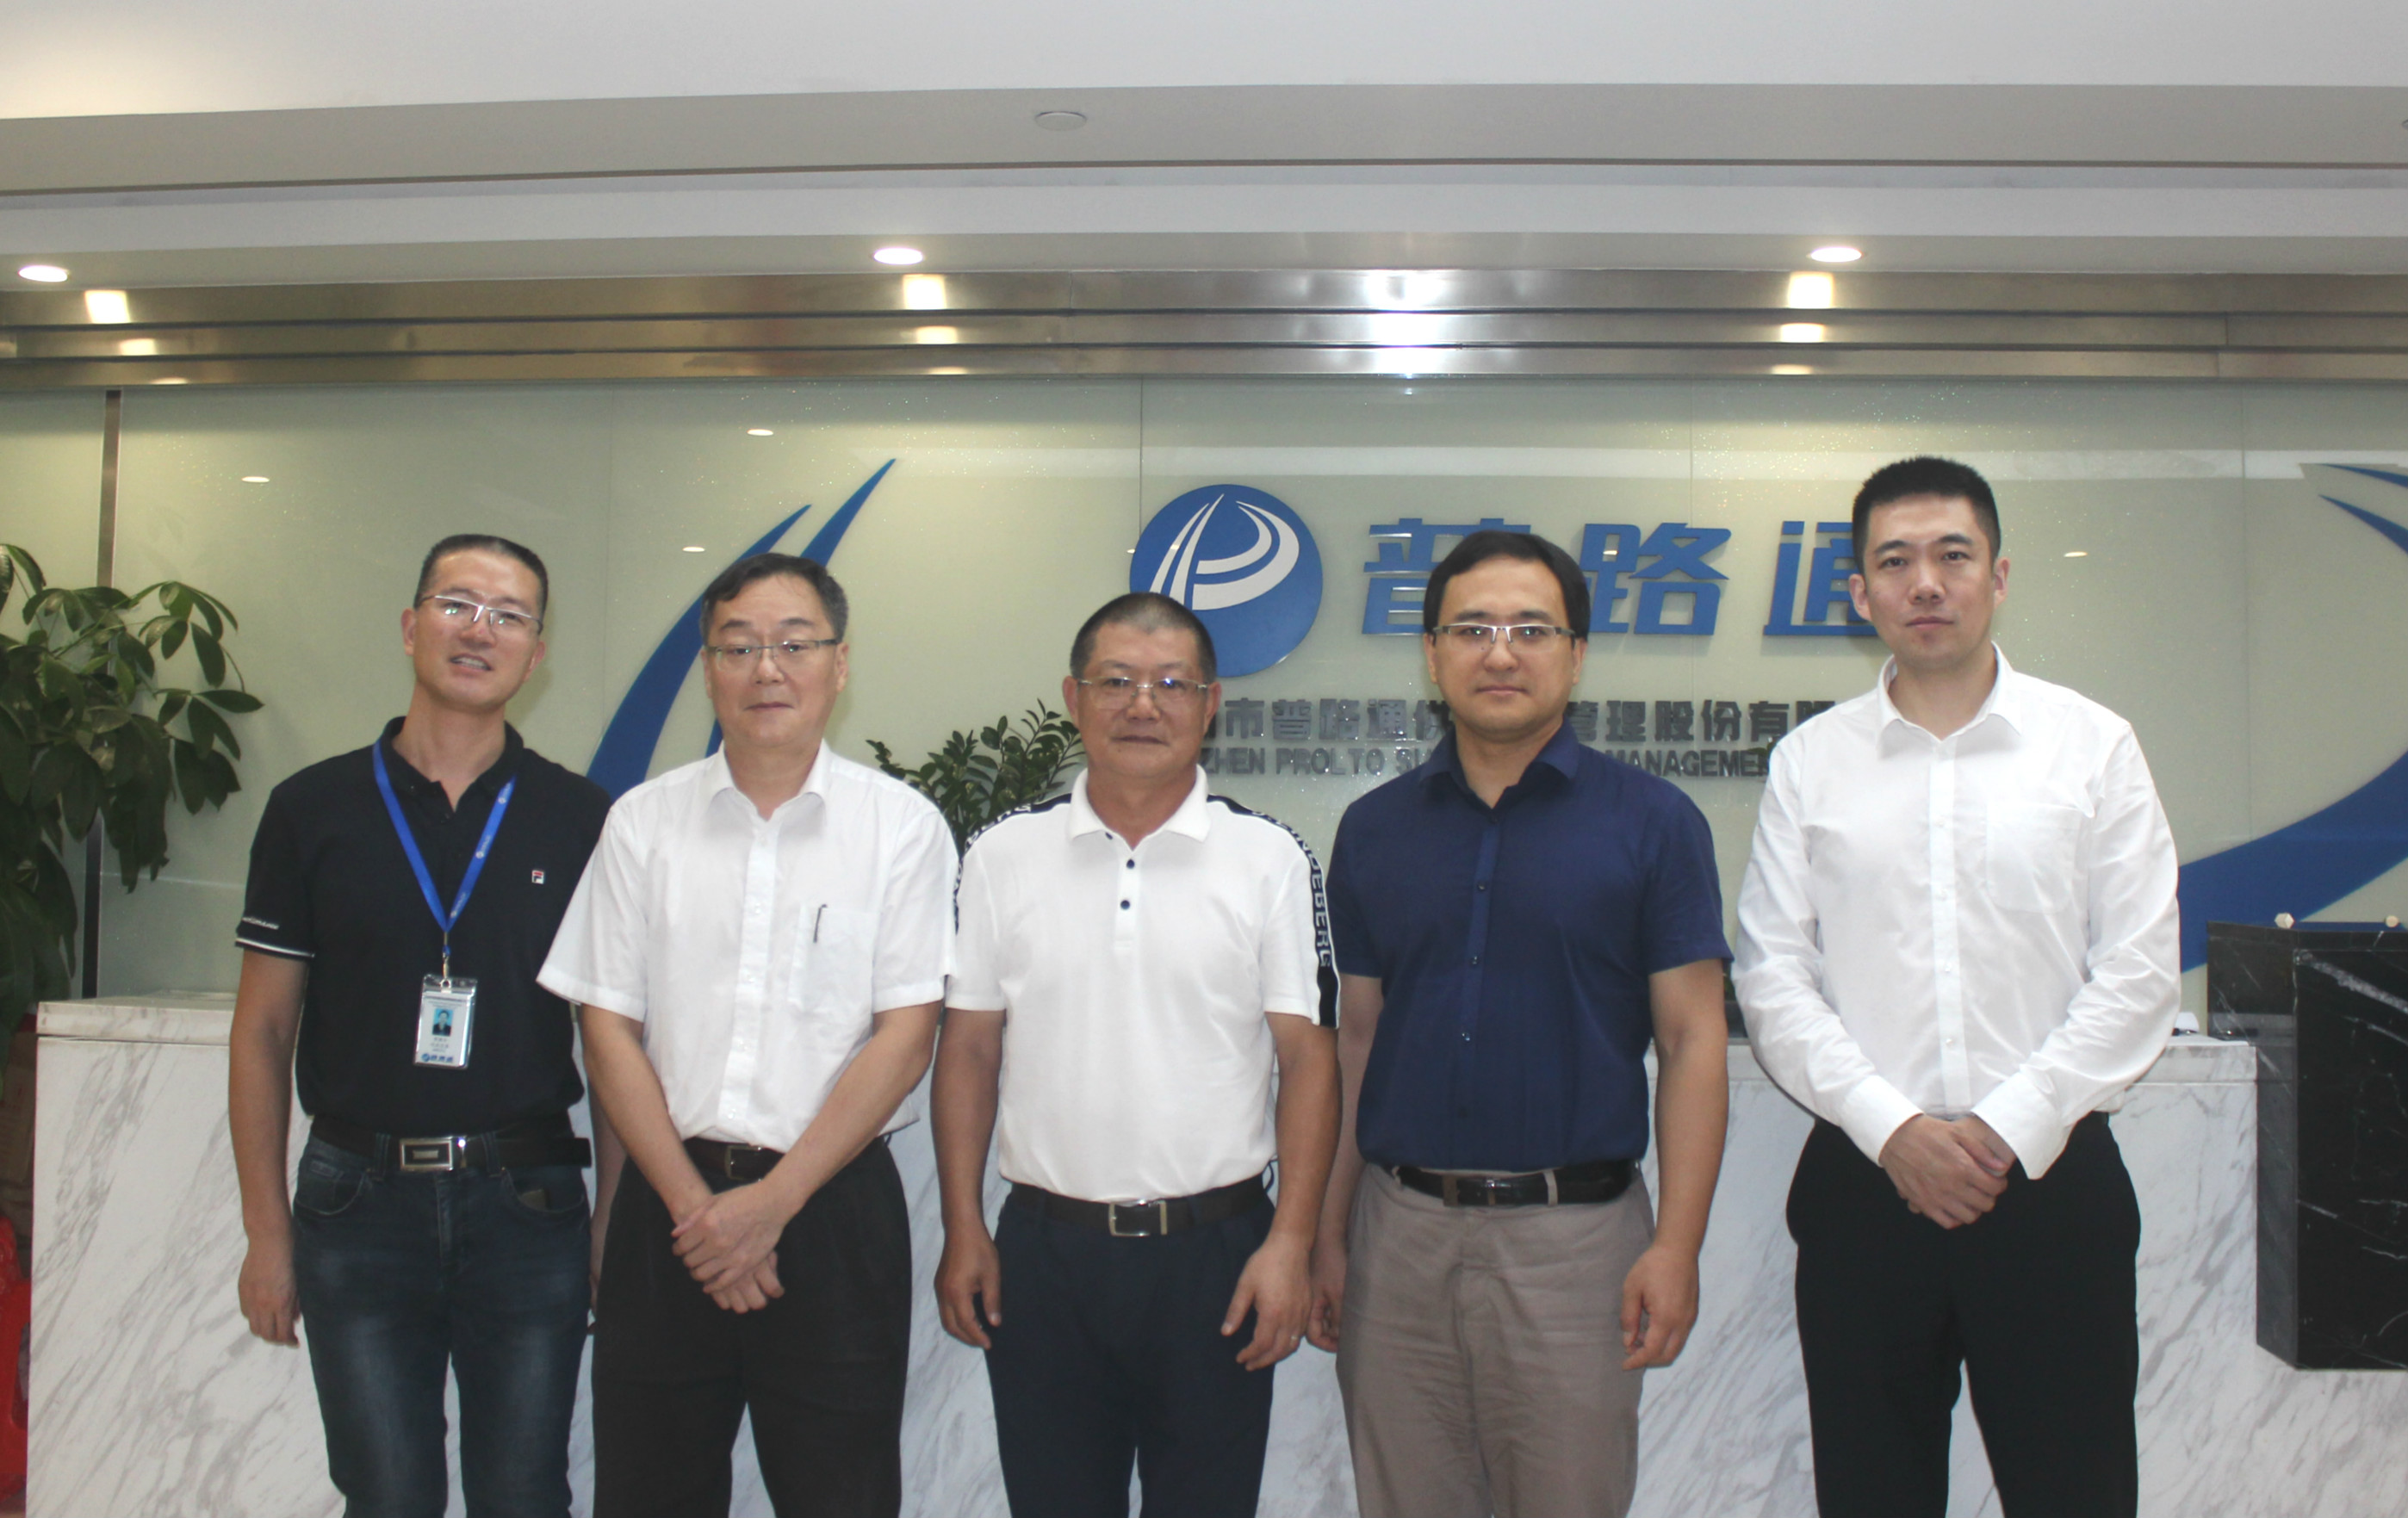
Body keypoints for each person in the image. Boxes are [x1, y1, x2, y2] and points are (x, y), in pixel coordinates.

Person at [1734, 455, 2179, 1518]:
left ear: (1999, 575)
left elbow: (2138, 970)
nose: (1925, 582)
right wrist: (1895, 1130)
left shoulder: (2092, 745)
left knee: (2075, 1492)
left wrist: (2005, 1125)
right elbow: (1773, 974)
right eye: (1895, 561)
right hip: (1866, 1184)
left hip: (2050, 1182)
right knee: (1870, 1492)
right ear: (1860, 592)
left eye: (1952, 555)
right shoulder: (1811, 761)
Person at [1308, 530, 1733, 1518]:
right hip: (1399, 1236)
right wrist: (1330, 1230)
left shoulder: (1655, 822)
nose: (1501, 651)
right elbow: (1357, 1038)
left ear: (1576, 654)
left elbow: (1692, 1041)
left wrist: (1677, 1245)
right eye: (1473, 628)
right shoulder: (1374, 828)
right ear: (1432, 653)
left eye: (1532, 629)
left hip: (1576, 1245)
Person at [538, 552, 953, 1518]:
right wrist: (700, 1210)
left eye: (794, 644)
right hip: (669, 1206)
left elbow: (905, 1037)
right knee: (649, 1494)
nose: (767, 668)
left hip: (831, 1206)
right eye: (738, 646)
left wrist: (773, 1202)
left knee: (842, 1495)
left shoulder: (901, 828)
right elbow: (606, 1025)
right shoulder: (642, 824)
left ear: (839, 664)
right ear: (708, 667)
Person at [931, 592, 1340, 1518]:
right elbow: (970, 1050)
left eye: (1171, 684)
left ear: (1211, 702)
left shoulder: (1270, 857)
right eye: (1116, 681)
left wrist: (1291, 1241)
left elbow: (1309, 1059)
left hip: (1218, 1255)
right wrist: (964, 1226)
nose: (1142, 704)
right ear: (1073, 698)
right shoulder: (1001, 854)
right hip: (1045, 1254)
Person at [231, 533, 608, 1518]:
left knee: (523, 1493)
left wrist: (611, 1219)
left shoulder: (581, 817)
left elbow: (614, 1042)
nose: (480, 629)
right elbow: (262, 1031)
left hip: (529, 1201)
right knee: (386, 1493)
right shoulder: (312, 807)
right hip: (355, 1200)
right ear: (410, 626)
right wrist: (266, 1232)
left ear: (536, 654)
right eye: (457, 604)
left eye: (509, 615)